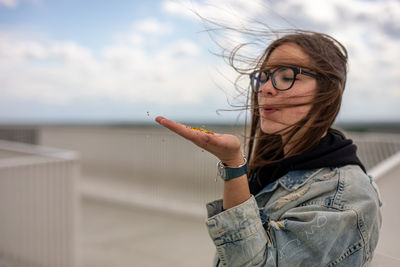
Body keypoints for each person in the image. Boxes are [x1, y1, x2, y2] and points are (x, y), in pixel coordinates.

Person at [155, 30, 382, 266]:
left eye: (286, 76)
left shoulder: (345, 197)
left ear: (327, 91)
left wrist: (234, 165)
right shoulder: (276, 166)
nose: (265, 88)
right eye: (263, 76)